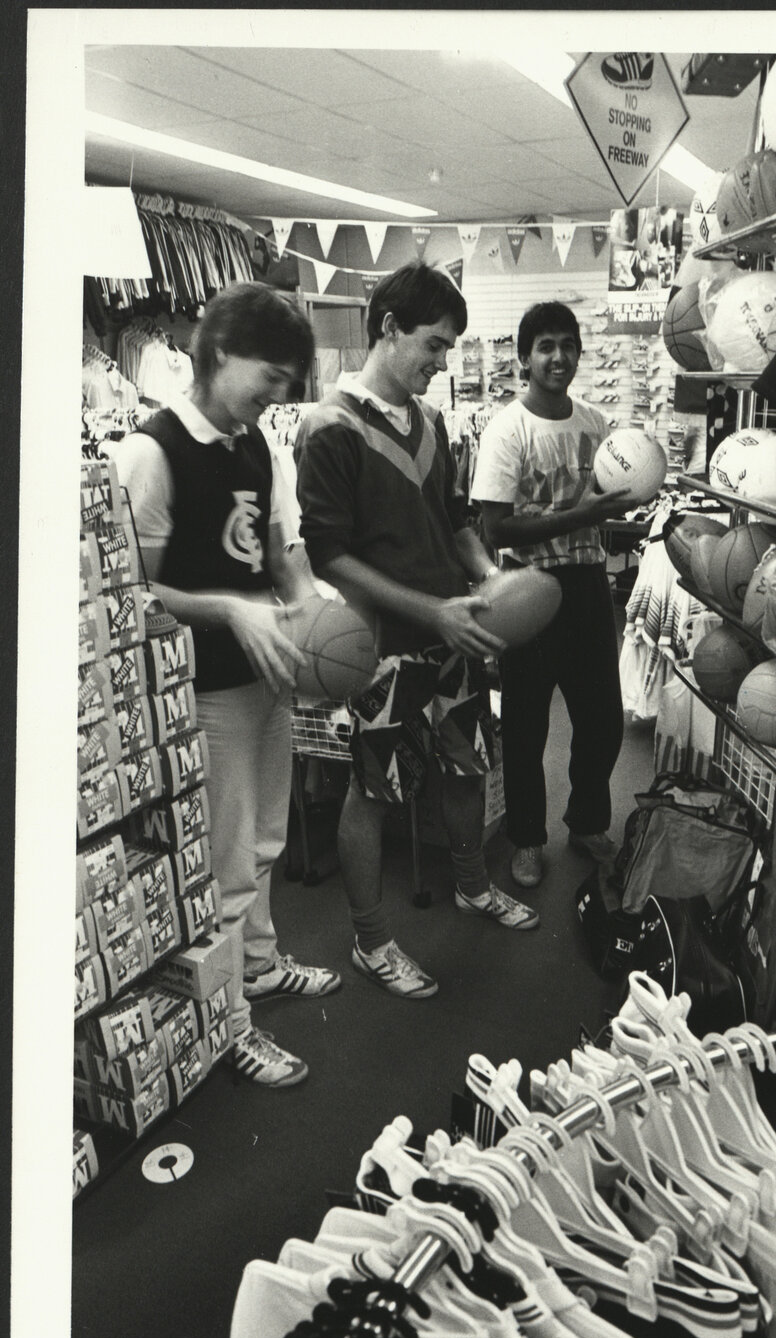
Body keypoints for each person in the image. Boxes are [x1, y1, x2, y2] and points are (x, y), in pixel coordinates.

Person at [115, 282, 340, 1091]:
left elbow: (285, 559)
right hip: (199, 693)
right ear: (215, 355)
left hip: (266, 677)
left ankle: (262, 965)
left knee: (266, 842)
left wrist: (324, 626)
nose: (278, 395)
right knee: (222, 862)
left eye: (289, 381)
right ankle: (228, 1024)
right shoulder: (150, 451)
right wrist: (227, 610)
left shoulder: (262, 446)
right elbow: (131, 593)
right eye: (269, 376)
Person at [294, 263, 538, 1000]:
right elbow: (329, 554)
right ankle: (372, 942)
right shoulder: (327, 428)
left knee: (468, 767)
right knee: (373, 791)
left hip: (453, 632)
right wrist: (428, 610)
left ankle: (471, 886)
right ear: (389, 328)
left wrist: (491, 577)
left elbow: (457, 520)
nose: (441, 362)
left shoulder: (432, 423)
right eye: (433, 345)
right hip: (379, 649)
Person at [470, 300, 629, 889]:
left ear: (579, 353)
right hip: (526, 590)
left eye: (567, 345)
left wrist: (622, 503)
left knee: (602, 720)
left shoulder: (595, 423)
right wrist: (579, 514)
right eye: (545, 347)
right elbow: (496, 529)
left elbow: (607, 503)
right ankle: (527, 839)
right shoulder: (507, 431)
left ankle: (587, 822)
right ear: (524, 358)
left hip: (588, 585)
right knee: (526, 725)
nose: (558, 357)